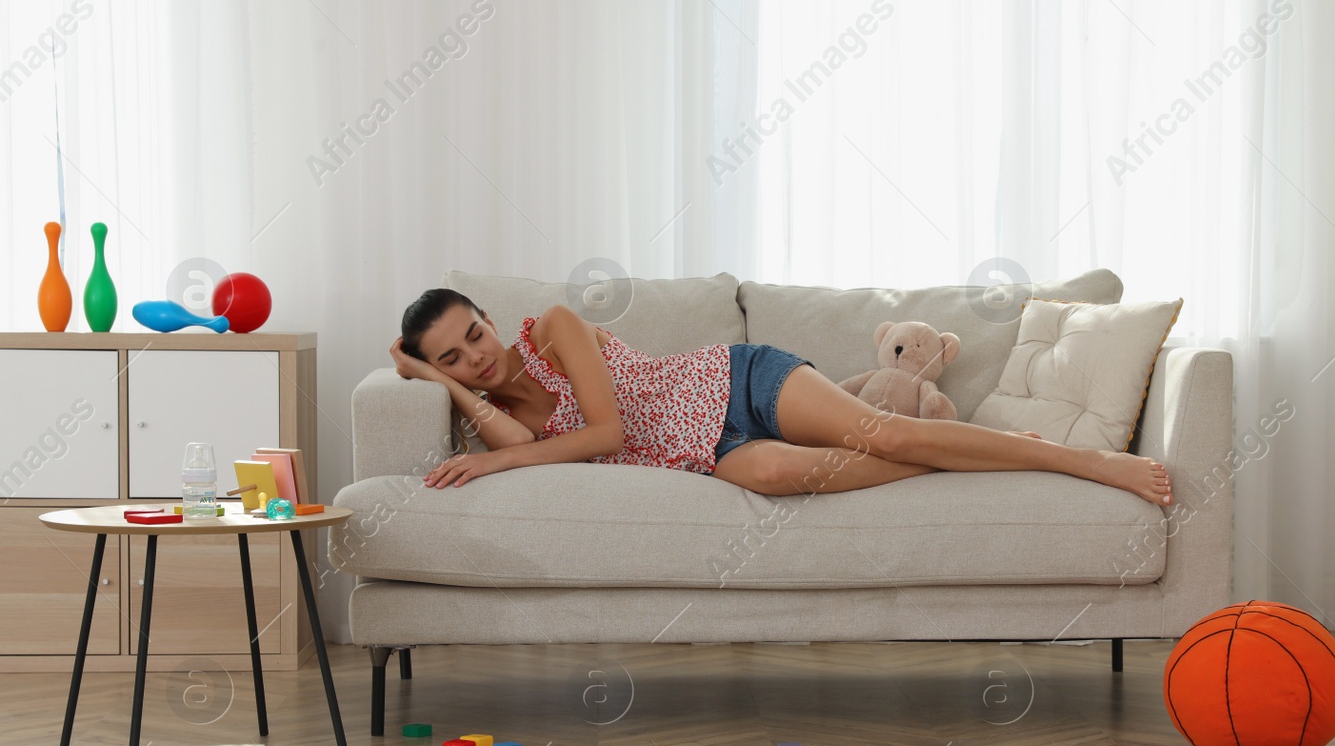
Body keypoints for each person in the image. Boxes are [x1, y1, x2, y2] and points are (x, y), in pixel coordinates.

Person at [393, 287, 1172, 504]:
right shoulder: (497, 411)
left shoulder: (555, 326)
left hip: (737, 381)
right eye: (452, 359)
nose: (475, 358)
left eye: (473, 335)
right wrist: (443, 389)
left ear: (491, 320)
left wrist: (495, 461)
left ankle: (1082, 463)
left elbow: (600, 435)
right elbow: (524, 451)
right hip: (706, 454)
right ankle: (1003, 457)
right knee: (777, 479)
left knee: (887, 434)